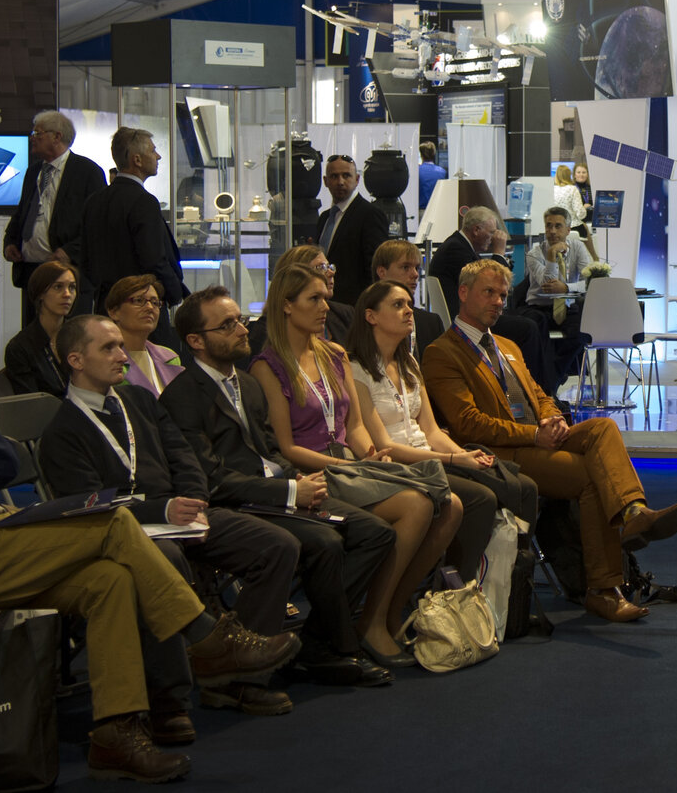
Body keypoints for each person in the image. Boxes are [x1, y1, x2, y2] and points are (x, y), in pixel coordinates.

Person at [0, 314, 294, 782]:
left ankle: (115, 735)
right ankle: (208, 639)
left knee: (110, 580)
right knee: (110, 521)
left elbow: (5, 462)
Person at [38, 314, 302, 719]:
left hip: (180, 514)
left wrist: (193, 501)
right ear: (75, 360)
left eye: (120, 345)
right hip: (128, 529)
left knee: (276, 544)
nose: (122, 355)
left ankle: (236, 679)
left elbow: (184, 458)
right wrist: (163, 510)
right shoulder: (62, 431)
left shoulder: (140, 402)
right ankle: (170, 703)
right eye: (108, 347)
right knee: (170, 562)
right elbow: (90, 506)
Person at [422, 259, 677, 623]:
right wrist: (534, 433)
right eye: (489, 293)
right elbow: (468, 424)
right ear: (463, 293)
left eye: (502, 295)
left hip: (538, 438)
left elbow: (539, 393)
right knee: (592, 477)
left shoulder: (507, 345)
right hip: (500, 452)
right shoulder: (442, 353)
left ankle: (635, 512)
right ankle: (604, 589)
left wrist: (550, 417)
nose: (499, 302)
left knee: (603, 428)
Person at [163, 287, 396, 689]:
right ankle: (330, 651)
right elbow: (213, 478)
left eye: (241, 320)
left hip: (277, 491)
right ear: (196, 341)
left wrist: (297, 480)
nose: (242, 330)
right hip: (238, 505)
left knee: (376, 533)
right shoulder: (182, 397)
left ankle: (314, 642)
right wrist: (290, 492)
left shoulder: (245, 384)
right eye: (228, 325)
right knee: (325, 543)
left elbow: (271, 450)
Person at [250, 263, 461, 667]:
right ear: (287, 306)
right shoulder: (267, 366)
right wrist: (347, 463)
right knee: (418, 504)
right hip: (313, 471)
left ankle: (389, 610)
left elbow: (355, 425)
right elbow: (286, 447)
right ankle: (372, 621)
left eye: (325, 298)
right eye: (314, 299)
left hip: (350, 464)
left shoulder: (335, 355)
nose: (325, 307)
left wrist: (366, 454)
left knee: (449, 504)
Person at [346, 280, 539, 576]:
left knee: (525, 486)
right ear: (371, 316)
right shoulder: (357, 368)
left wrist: (464, 455)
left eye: (409, 304)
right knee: (481, 498)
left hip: (429, 457)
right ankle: (458, 586)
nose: (409, 311)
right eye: (398, 305)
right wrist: (454, 459)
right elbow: (386, 445)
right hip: (400, 465)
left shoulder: (409, 362)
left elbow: (432, 432)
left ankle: (510, 584)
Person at [78, 127, 187, 353]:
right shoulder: (143, 201)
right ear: (136, 159)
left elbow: (86, 259)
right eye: (153, 151)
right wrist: (175, 294)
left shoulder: (94, 201)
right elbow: (154, 259)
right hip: (141, 312)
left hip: (105, 309)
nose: (158, 156)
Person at [427, 205, 552, 387]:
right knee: (529, 328)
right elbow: (489, 282)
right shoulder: (456, 250)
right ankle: (536, 390)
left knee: (538, 319)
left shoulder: (459, 246)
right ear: (476, 230)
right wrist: (499, 251)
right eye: (492, 232)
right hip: (468, 319)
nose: (495, 237)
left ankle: (547, 386)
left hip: (474, 311)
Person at [2, 109, 108, 317]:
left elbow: (98, 224)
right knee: (34, 338)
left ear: (57, 136)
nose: (33, 138)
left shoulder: (87, 172)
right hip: (34, 273)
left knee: (69, 339)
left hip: (69, 272)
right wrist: (10, 242)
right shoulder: (34, 172)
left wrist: (69, 251)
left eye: (38, 133)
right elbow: (22, 212)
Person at [522, 205, 590, 389]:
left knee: (581, 332)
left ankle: (551, 379)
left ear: (568, 230)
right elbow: (548, 285)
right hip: (539, 307)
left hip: (567, 306)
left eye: (558, 226)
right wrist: (551, 255)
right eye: (548, 226)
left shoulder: (578, 247)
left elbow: (590, 281)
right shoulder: (534, 253)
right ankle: (550, 379)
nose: (552, 231)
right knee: (536, 334)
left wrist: (567, 287)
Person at [314, 154, 389, 307]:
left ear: (357, 180)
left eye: (346, 175)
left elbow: (376, 269)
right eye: (334, 176)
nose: (340, 181)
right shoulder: (324, 218)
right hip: (325, 306)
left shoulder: (370, 215)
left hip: (355, 309)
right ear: (325, 181)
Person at [1, 260, 79, 397]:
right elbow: (31, 403)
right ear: (40, 293)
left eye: (72, 287)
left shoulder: (81, 335)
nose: (67, 294)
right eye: (58, 287)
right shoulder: (20, 347)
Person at [104, 275, 186, 397]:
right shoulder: (105, 360)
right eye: (138, 300)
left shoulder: (170, 358)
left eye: (155, 302)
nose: (149, 308)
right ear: (114, 311)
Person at [370, 239, 446, 353]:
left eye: (417, 268)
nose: (415, 274)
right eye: (406, 267)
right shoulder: (364, 319)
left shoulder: (431, 323)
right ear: (382, 272)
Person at [554, 163, 599, 262]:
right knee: (585, 227)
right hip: (572, 226)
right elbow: (580, 213)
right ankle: (595, 258)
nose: (581, 174)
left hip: (556, 227)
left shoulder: (553, 190)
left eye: (583, 172)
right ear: (571, 174)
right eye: (578, 172)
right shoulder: (572, 189)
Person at [415, 140, 445, 211]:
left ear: (421, 155)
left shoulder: (416, 171)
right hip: (437, 210)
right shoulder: (442, 172)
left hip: (421, 210)